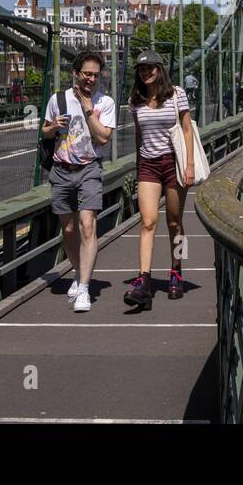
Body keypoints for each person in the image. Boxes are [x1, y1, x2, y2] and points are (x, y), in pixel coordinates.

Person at [42, 49, 116, 314]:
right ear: (76, 73)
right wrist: (52, 129)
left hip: (89, 169)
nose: (91, 79)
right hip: (61, 169)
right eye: (87, 74)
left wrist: (87, 110)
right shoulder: (57, 99)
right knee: (69, 230)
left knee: (87, 226)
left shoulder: (104, 103)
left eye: (96, 75)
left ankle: (84, 288)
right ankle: (78, 273)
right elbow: (46, 130)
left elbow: (104, 138)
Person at [125, 49, 197, 309]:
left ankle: (177, 270)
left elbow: (187, 129)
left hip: (173, 163)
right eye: (142, 69)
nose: (146, 72)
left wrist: (189, 164)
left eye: (150, 68)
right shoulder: (135, 100)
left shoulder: (177, 94)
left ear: (160, 69)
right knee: (147, 222)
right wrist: (137, 165)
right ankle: (143, 281)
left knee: (175, 223)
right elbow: (138, 134)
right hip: (148, 165)